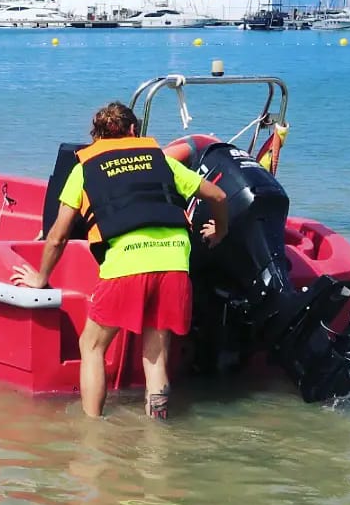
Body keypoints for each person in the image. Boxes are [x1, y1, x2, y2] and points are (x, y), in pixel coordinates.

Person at [12, 102, 228, 419]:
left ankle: (93, 430)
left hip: (127, 264)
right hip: (175, 262)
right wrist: (219, 232)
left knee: (92, 346)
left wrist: (41, 278)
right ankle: (157, 439)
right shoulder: (161, 161)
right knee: (156, 355)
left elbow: (58, 235)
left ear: (95, 137)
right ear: (132, 131)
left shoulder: (84, 168)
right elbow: (219, 196)